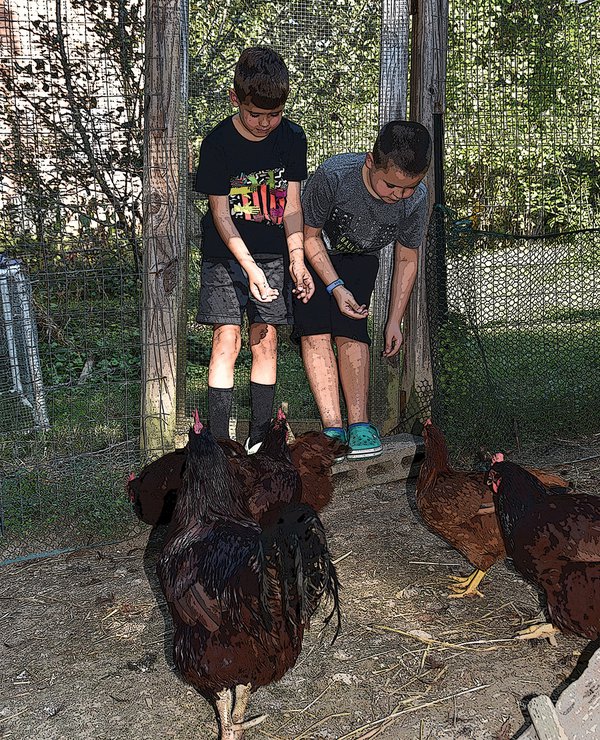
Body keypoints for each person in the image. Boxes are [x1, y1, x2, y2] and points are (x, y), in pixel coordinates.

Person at [194, 47, 313, 452]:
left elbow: (293, 206)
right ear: (235, 99)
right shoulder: (217, 144)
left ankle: (261, 440)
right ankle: (219, 445)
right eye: (254, 114)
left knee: (266, 340)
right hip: (225, 258)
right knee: (227, 340)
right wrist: (249, 268)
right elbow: (222, 216)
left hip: (275, 256)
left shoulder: (293, 138)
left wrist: (296, 259)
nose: (264, 123)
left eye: (273, 114)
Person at [292, 120, 431, 459]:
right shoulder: (334, 176)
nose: (398, 196)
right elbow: (308, 235)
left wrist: (394, 319)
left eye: (408, 188)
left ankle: (360, 424)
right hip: (313, 254)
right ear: (371, 162)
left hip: (360, 257)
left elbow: (408, 258)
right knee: (315, 331)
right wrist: (335, 287)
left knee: (352, 329)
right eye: (391, 186)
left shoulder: (416, 199)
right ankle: (332, 428)